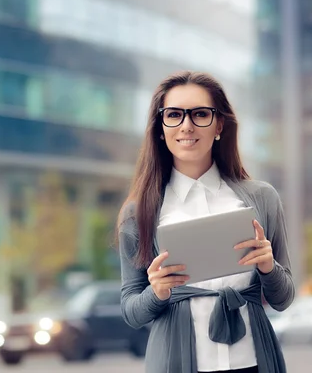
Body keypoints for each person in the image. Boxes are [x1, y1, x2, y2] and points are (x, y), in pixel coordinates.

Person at [118, 71, 295, 373]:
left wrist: (268, 267)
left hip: (254, 361)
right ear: (161, 128)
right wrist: (156, 292)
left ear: (219, 125)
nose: (186, 125)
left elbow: (284, 298)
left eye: (200, 114)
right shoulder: (139, 212)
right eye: (174, 115)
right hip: (178, 363)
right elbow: (131, 311)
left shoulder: (262, 198)